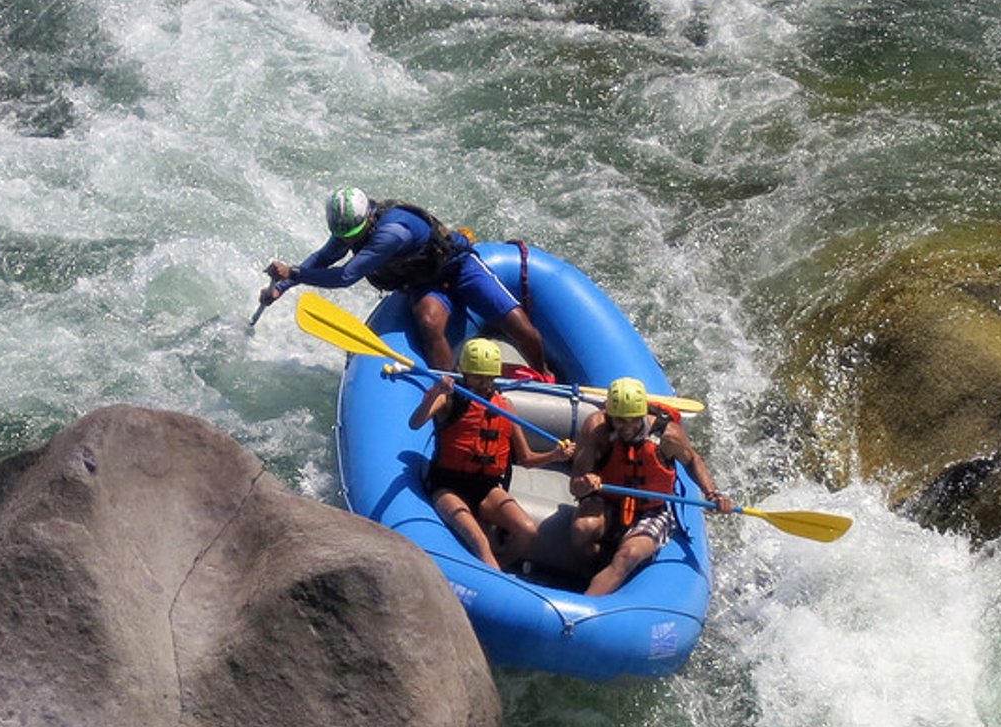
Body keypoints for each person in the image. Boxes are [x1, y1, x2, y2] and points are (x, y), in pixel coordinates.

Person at [259, 186, 551, 376]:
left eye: (351, 236)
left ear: (368, 219)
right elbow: (323, 258)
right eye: (342, 237)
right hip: (422, 282)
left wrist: (293, 273)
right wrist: (281, 288)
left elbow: (346, 276)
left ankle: (543, 373)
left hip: (458, 266)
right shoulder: (352, 229)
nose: (346, 241)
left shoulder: (392, 233)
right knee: (429, 323)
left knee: (520, 327)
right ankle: (451, 388)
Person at [410, 337, 572, 571]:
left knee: (528, 531)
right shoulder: (448, 399)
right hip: (448, 486)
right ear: (464, 372)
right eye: (477, 376)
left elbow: (526, 459)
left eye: (488, 377)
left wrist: (554, 456)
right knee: (480, 540)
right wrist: (436, 392)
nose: (483, 383)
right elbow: (415, 423)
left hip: (487, 488)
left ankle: (497, 570)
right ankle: (493, 571)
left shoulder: (504, 406)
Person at [569, 376, 732, 597]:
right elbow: (575, 487)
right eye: (620, 421)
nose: (627, 427)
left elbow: (693, 461)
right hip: (608, 501)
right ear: (610, 416)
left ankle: (585, 606)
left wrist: (713, 494)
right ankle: (591, 575)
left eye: (633, 420)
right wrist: (586, 482)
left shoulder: (668, 435)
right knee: (582, 529)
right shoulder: (597, 429)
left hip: (652, 511)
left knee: (628, 555)